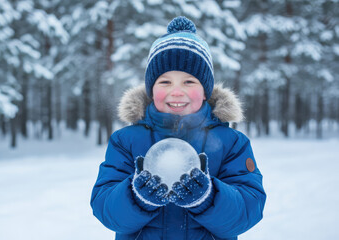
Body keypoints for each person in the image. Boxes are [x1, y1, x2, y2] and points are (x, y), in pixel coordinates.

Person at [90, 16, 266, 240]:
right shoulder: (126, 141)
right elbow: (105, 209)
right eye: (165, 82)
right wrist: (135, 196)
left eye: (189, 82)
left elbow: (249, 210)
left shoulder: (231, 143)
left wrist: (208, 198)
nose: (176, 91)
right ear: (151, 89)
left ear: (205, 91)